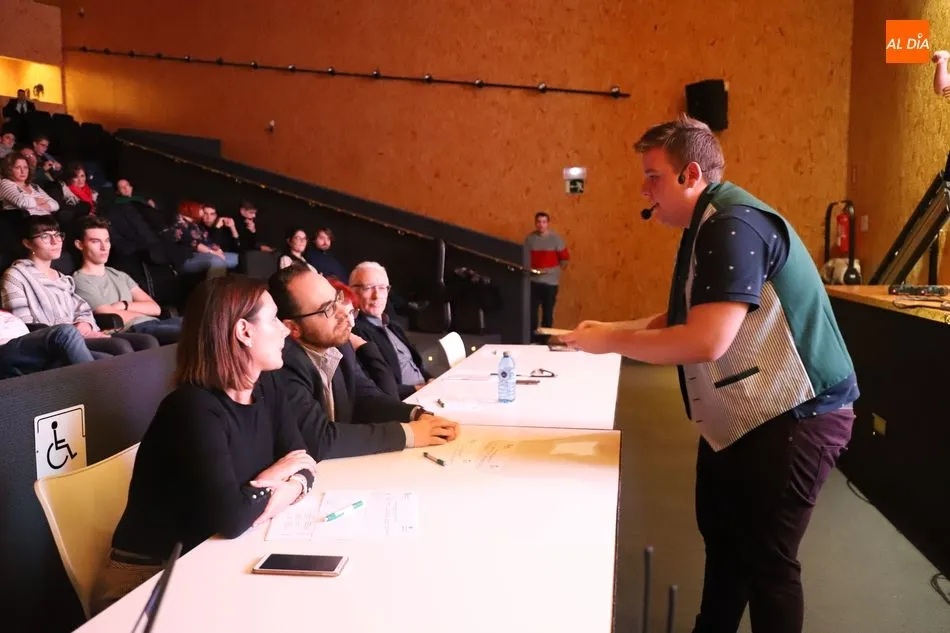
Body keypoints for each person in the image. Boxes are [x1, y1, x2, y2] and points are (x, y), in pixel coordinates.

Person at [560, 115, 859, 633]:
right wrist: (609, 328)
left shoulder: (730, 224)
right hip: (750, 415)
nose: (644, 190)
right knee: (725, 543)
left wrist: (610, 343)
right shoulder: (710, 222)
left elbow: (704, 340)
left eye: (653, 176)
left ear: (690, 174)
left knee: (767, 562)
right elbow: (684, 317)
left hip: (798, 414)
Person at [90, 276, 318, 614]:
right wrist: (274, 478)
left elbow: (303, 460)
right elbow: (232, 519)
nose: (285, 329)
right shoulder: (192, 408)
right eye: (273, 319)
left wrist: (290, 484)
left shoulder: (267, 386)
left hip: (207, 561)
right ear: (244, 331)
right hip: (145, 583)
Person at [268, 264, 459, 460]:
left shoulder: (339, 345)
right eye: (327, 309)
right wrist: (408, 434)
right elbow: (320, 440)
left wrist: (416, 415)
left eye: (337, 299)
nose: (343, 313)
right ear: (293, 328)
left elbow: (365, 397)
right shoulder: (282, 364)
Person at [1, 215, 159, 356]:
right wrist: (72, 329)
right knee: (119, 347)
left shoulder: (62, 278)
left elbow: (83, 309)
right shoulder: (16, 275)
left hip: (79, 333)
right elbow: (23, 323)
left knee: (145, 341)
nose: (55, 241)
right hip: (51, 340)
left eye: (57, 235)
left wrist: (84, 323)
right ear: (28, 243)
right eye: (45, 236)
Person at [72, 216, 183, 345]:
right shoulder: (80, 280)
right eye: (95, 241)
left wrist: (124, 305)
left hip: (154, 323)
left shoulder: (119, 275)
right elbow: (110, 315)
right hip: (133, 329)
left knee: (198, 324)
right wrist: (142, 312)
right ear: (80, 245)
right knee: (188, 333)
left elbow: (155, 308)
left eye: (107, 241)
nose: (104, 247)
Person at [349, 261, 433, 398]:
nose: (376, 296)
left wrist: (430, 380)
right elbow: (372, 388)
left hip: (425, 392)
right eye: (368, 288)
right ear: (353, 292)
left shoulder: (393, 326)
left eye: (382, 288)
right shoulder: (355, 333)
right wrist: (417, 389)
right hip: (404, 401)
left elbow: (416, 365)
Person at [0, 309, 95, 379]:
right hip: (5, 350)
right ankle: (98, 392)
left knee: (98, 357)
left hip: (26, 344)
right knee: (65, 333)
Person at [524, 211, 569, 339]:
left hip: (550, 283)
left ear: (548, 223)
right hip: (533, 281)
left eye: (544, 222)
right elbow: (525, 257)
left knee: (547, 313)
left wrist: (554, 272)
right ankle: (531, 338)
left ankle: (544, 340)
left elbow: (565, 258)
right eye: (539, 222)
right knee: (531, 313)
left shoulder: (556, 239)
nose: (541, 225)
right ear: (535, 223)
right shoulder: (530, 239)